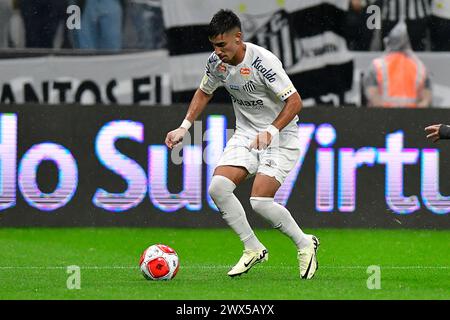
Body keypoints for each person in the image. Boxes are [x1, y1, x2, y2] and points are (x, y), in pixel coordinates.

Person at [165, 9, 319, 279]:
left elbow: (295, 102)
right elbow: (204, 92)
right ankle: (253, 247)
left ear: (238, 37)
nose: (218, 51)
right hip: (246, 135)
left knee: (259, 201)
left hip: (281, 137)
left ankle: (304, 243)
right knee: (218, 188)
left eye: (222, 45)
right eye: (213, 45)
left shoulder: (263, 61)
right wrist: (184, 126)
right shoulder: (216, 63)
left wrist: (271, 131)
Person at [362, 21, 432, 108]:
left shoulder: (377, 64)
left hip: (384, 115)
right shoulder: (419, 66)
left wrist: (384, 109)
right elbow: (426, 98)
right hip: (412, 116)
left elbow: (372, 93)